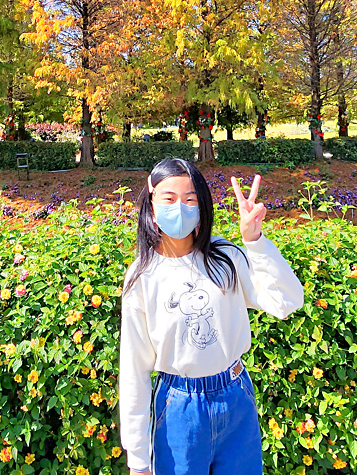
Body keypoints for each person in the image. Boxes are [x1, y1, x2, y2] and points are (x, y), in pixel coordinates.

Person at [119, 157, 305, 475]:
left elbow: (287, 301)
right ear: (151, 202)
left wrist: (255, 241)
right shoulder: (142, 277)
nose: (180, 207)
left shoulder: (225, 258)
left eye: (190, 199)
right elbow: (134, 370)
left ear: (203, 205)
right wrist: (138, 459)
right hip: (179, 406)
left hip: (235, 397)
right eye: (169, 198)